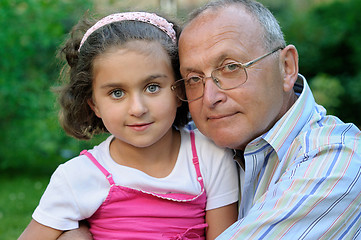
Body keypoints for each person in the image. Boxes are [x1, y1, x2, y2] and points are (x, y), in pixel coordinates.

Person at [18, 11, 239, 240]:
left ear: (178, 89)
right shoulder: (78, 177)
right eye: (117, 93)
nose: (137, 108)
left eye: (152, 87)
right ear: (94, 105)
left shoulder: (210, 157)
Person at [171, 0, 361, 239]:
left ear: (286, 67)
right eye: (193, 79)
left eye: (231, 67)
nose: (210, 98)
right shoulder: (188, 146)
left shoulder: (337, 161)